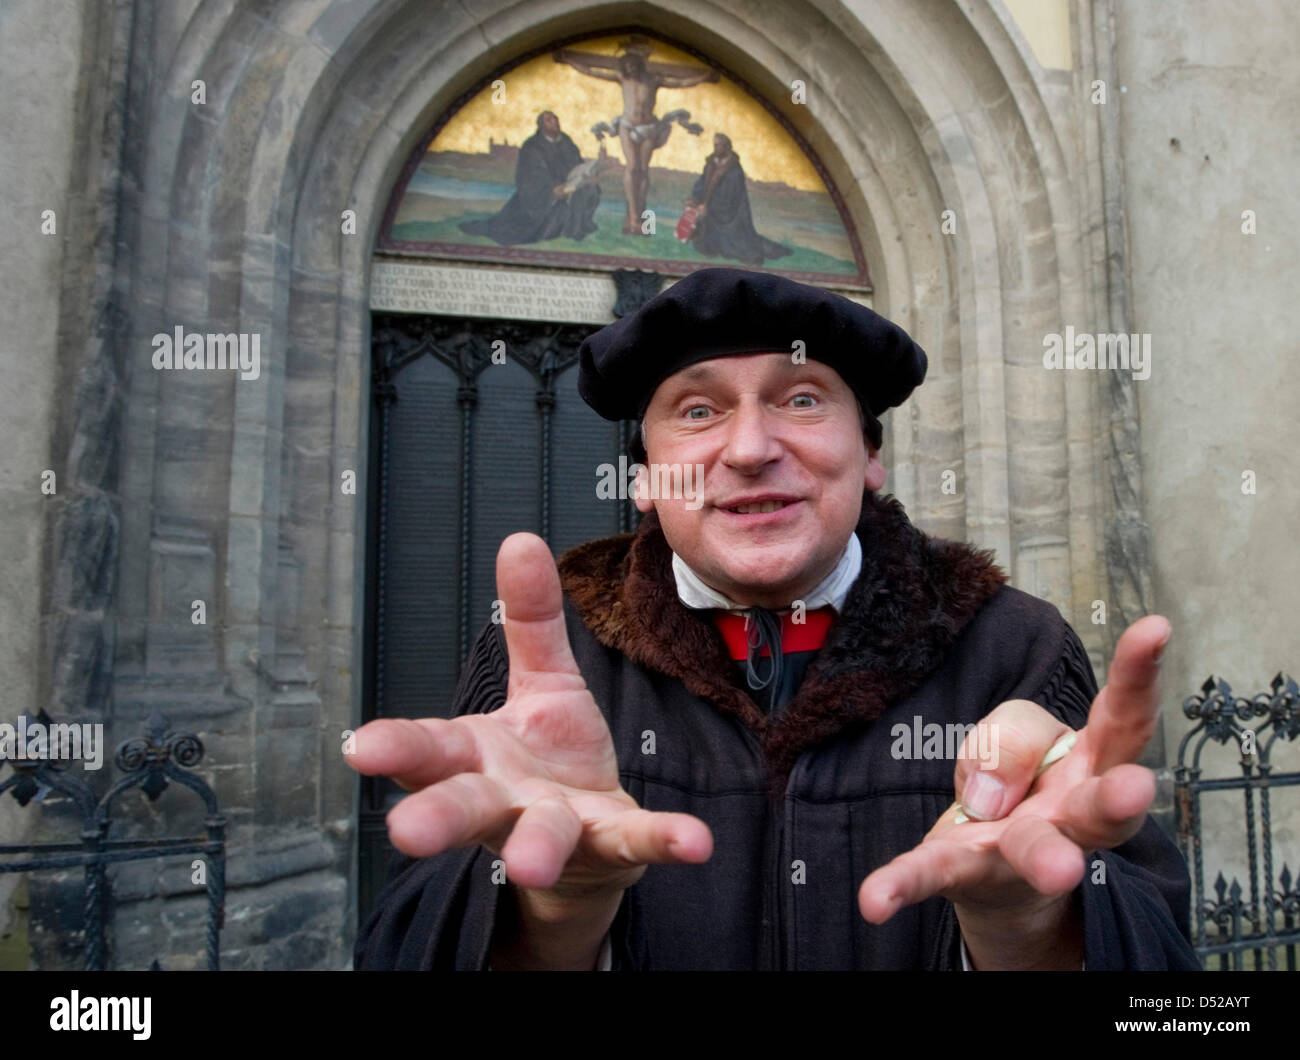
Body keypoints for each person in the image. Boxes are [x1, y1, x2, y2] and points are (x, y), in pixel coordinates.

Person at [348, 267, 1199, 971]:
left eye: (800, 400)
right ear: (645, 480)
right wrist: (553, 911)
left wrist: (1026, 928)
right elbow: (412, 939)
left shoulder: (1016, 648)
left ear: (869, 455)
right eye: (697, 410)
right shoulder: (544, 660)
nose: (751, 447)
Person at [458, 111, 599, 245]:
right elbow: (530, 177)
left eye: (555, 118)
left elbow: (577, 164)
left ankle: (577, 229)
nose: (554, 122)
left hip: (570, 188)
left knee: (592, 190)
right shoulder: (532, 146)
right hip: (540, 197)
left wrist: (588, 177)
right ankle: (557, 228)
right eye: (548, 120)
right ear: (541, 125)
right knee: (545, 221)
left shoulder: (567, 142)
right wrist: (552, 191)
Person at [685, 133, 792, 266]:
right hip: (709, 209)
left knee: (738, 249)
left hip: (731, 217)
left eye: (718, 145)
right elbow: (702, 183)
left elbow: (729, 198)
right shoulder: (711, 164)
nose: (715, 148)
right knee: (701, 240)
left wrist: (708, 208)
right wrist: (695, 199)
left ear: (726, 147)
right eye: (714, 145)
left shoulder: (734, 170)